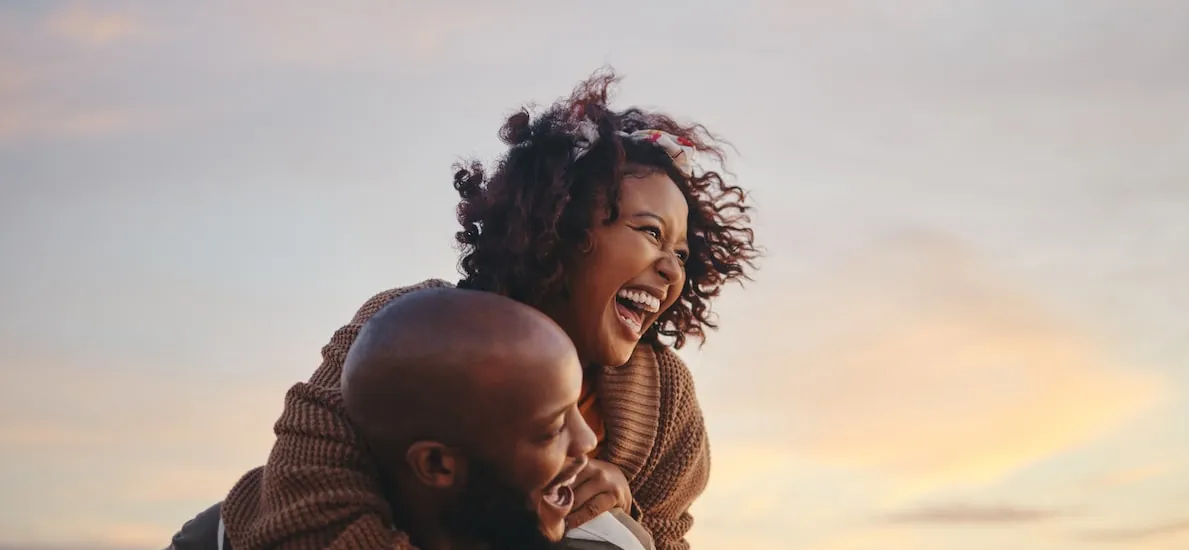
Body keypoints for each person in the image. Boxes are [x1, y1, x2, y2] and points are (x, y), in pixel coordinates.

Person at [219, 68, 759, 550]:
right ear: (562, 226)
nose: (671, 270)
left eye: (682, 255)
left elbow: (666, 538)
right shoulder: (412, 328)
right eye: (650, 233)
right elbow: (308, 500)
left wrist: (629, 511)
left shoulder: (665, 398)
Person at [167, 287, 655, 550]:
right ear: (438, 465)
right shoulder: (219, 540)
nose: (586, 442)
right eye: (550, 430)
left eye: (575, 408)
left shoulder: (605, 542)